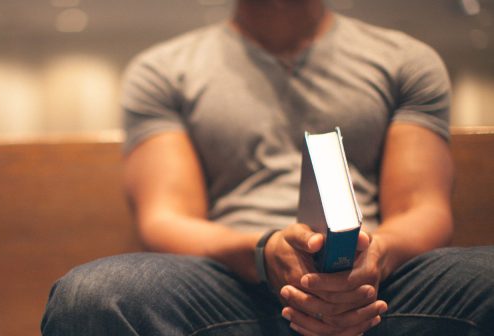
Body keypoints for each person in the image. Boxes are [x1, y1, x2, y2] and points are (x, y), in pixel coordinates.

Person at [41, 0, 494, 335]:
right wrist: (262, 254)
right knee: (92, 297)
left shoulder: (406, 61)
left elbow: (424, 207)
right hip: (235, 283)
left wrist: (374, 258)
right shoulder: (163, 70)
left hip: (377, 285)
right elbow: (165, 217)